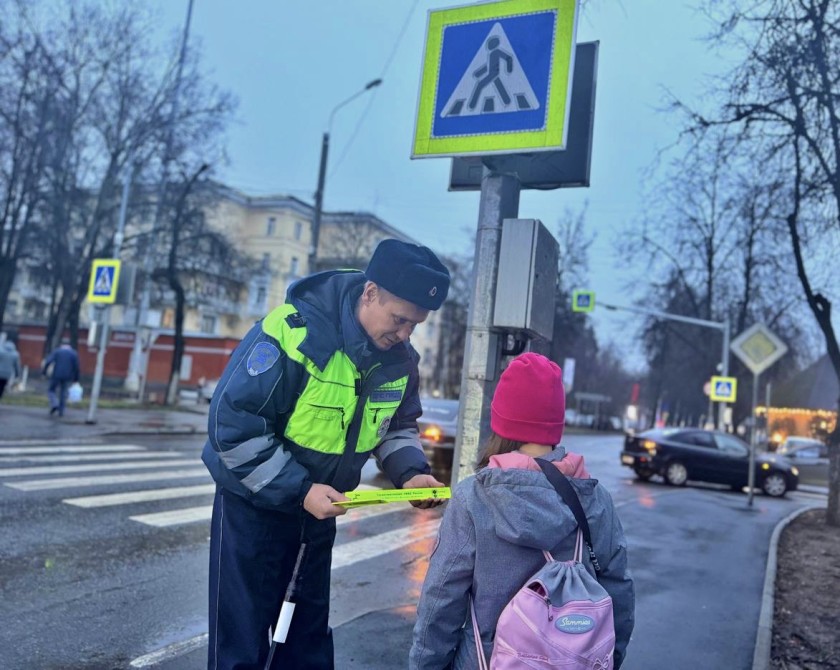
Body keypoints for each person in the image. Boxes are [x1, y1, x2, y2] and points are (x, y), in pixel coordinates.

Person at [202, 238, 451, 670]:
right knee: (241, 642)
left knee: (305, 640)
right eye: (400, 319)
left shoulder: (399, 361)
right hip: (253, 510)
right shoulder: (292, 333)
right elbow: (232, 425)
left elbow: (396, 426)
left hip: (318, 515)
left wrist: (411, 473)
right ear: (370, 293)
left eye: (416, 325)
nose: (406, 334)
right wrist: (299, 489)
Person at [410, 352, 635, 669]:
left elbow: (441, 599)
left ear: (500, 422)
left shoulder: (475, 497)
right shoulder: (594, 498)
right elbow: (618, 593)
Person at [42, 341, 80, 417]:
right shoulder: (74, 353)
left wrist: (44, 372)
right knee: (63, 393)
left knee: (51, 390)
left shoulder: (57, 351)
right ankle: (61, 411)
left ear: (61, 345)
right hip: (67, 376)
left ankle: (54, 403)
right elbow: (76, 367)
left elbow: (48, 361)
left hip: (56, 374)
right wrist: (76, 378)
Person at [0, 333, 22, 401]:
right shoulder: (15, 354)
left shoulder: (1, 351)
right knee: (2, 386)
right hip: (7, 374)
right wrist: (17, 375)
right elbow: (17, 366)